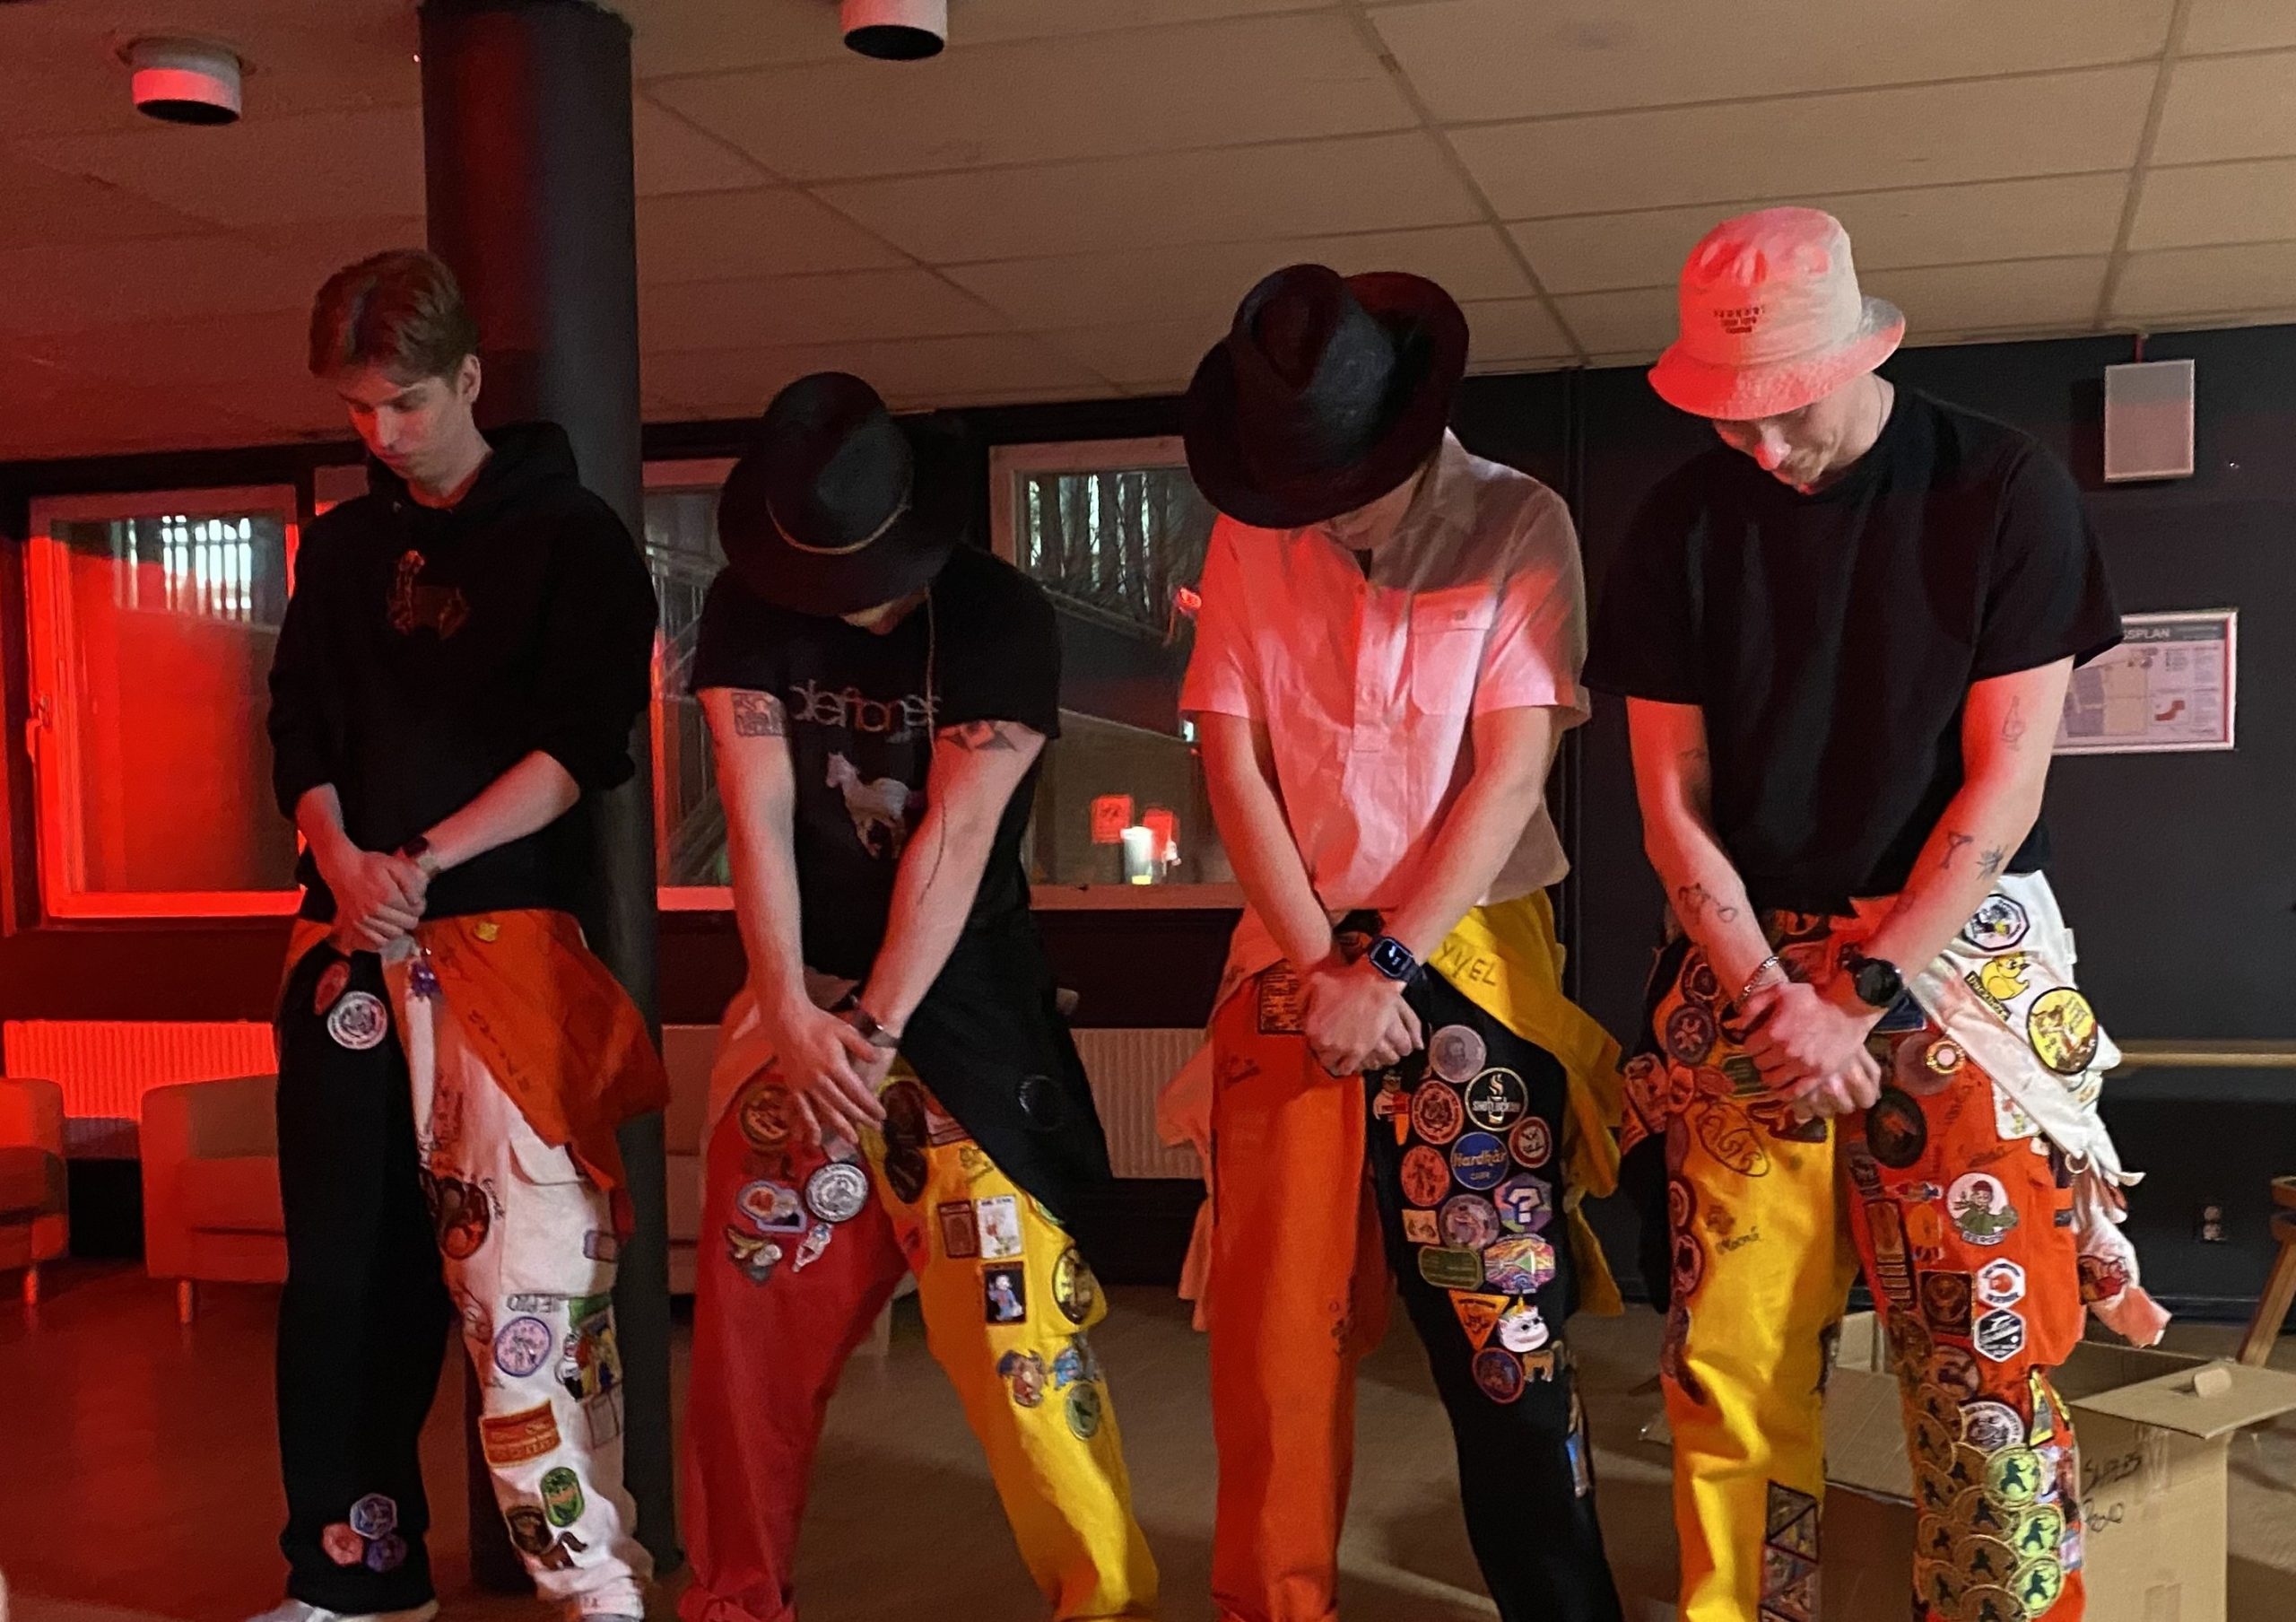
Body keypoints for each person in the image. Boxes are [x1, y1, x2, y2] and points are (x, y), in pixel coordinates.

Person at [1583, 206, 2168, 1622]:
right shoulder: (1678, 519)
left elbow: (2005, 783)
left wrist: (1858, 994)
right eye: (1731, 416)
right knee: (1730, 1361)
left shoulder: (2003, 485)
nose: (1761, 444)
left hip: (1949, 949)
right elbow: (1671, 804)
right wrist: (1776, 996)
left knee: (1984, 1362)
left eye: (1786, 408)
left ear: (1861, 352)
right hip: (1744, 961)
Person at [1173, 264, 1627, 1622]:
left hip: (1467, 948)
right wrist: (1323, 962)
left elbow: (1512, 769)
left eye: (1344, 489)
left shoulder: (1520, 520)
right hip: (1289, 955)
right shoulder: (1249, 531)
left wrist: (1385, 966)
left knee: (1503, 1332)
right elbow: (1233, 762)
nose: (1321, 516)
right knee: (1273, 1336)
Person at [677, 372, 1158, 1622]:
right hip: (796, 1000)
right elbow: (755, 811)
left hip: (960, 1007)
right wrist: (787, 1009)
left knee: (1018, 1339)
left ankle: (1100, 1600)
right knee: (751, 1339)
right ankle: (736, 1598)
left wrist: (872, 1027)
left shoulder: (997, 613)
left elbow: (955, 830)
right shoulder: (744, 605)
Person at [257, 249, 665, 1622]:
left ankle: (593, 1578)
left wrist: (422, 862)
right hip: (347, 943)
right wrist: (339, 858)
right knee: (341, 1275)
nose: (381, 433)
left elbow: (580, 748)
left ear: (470, 379)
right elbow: (299, 724)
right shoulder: (343, 547)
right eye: (358, 408)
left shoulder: (573, 538)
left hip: (501, 940)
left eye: (408, 402)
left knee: (530, 1280)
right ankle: (351, 1575)